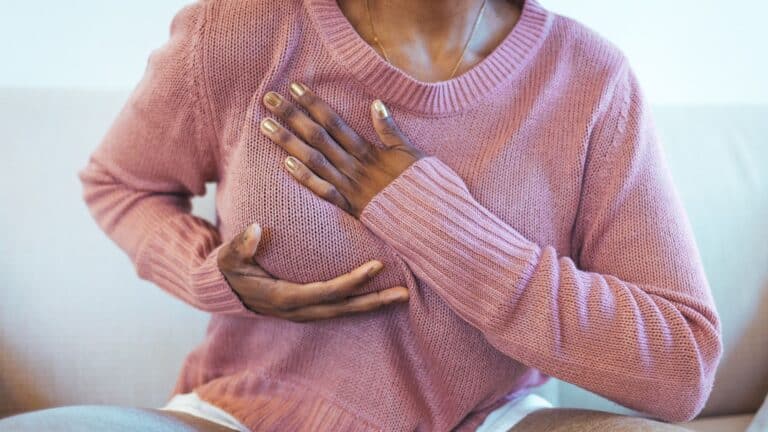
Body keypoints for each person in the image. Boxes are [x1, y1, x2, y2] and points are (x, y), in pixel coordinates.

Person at [0, 0, 721, 430]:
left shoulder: (590, 80)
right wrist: (209, 273)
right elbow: (119, 184)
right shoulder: (242, 31)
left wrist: (428, 217)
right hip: (247, 415)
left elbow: (681, 367)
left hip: (488, 420)